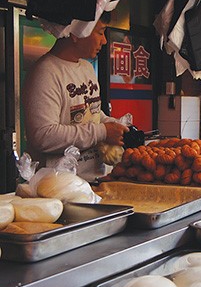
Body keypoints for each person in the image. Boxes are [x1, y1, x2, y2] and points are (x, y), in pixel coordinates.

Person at [22, 18, 128, 181]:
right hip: (59, 187)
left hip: (95, 180)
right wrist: (103, 132)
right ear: (77, 33)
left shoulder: (86, 68)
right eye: (100, 32)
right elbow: (43, 135)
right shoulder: (45, 73)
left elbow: (93, 112)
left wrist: (114, 126)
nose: (105, 41)